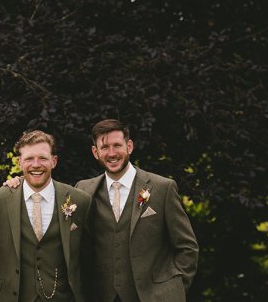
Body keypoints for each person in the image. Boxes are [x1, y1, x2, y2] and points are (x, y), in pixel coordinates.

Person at [76, 119, 198, 302]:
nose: (111, 153)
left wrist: (172, 289)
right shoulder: (83, 190)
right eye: (104, 147)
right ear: (95, 152)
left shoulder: (162, 188)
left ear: (129, 146)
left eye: (117, 145)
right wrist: (19, 185)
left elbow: (187, 247)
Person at [0, 130, 91, 302]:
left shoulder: (80, 200)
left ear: (53, 161)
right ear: (19, 163)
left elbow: (88, 257)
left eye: (42, 158)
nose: (36, 164)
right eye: (29, 159)